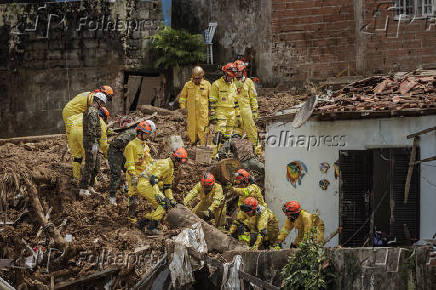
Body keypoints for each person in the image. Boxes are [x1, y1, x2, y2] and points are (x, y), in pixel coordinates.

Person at [135, 147, 188, 232]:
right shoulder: (165, 165)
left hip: (148, 184)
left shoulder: (170, 169)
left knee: (158, 207)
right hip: (145, 184)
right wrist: (157, 194)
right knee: (163, 203)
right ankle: (151, 228)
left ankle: (142, 223)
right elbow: (153, 179)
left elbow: (167, 186)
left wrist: (172, 200)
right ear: (174, 158)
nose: (180, 164)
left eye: (182, 161)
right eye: (179, 161)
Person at [108, 120, 156, 205]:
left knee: (126, 169)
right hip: (115, 151)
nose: (148, 136)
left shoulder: (139, 136)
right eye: (147, 134)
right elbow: (119, 143)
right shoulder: (133, 136)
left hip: (123, 150)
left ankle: (125, 186)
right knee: (116, 173)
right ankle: (112, 196)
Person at [124, 121, 154, 221]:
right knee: (133, 198)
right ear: (140, 133)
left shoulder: (145, 146)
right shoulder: (131, 146)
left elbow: (148, 160)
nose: (148, 136)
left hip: (143, 174)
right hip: (134, 175)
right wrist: (133, 175)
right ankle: (131, 218)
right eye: (147, 134)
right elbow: (130, 163)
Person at [79, 92, 108, 197]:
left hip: (94, 142)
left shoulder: (94, 111)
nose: (103, 106)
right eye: (103, 103)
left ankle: (90, 186)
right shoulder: (91, 112)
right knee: (89, 166)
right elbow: (91, 130)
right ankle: (83, 188)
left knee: (96, 166)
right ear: (99, 101)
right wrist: (94, 143)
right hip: (91, 142)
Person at [68, 107, 109, 181]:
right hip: (83, 133)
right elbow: (103, 142)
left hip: (73, 131)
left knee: (77, 157)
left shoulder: (83, 114)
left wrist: (69, 134)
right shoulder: (100, 122)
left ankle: (76, 177)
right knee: (89, 159)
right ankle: (91, 182)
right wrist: (106, 154)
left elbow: (69, 120)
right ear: (103, 117)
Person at [179, 66, 211, 145]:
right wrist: (183, 107)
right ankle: (192, 143)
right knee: (191, 129)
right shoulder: (188, 85)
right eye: (195, 78)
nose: (196, 80)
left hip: (203, 113)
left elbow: (211, 99)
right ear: (192, 77)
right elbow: (182, 97)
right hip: (191, 113)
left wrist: (211, 110)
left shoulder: (207, 85)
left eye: (198, 78)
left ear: (202, 77)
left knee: (203, 129)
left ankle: (203, 146)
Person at [209, 63, 238, 147]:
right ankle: (214, 154)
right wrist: (212, 114)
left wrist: (238, 114)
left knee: (228, 136)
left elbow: (235, 101)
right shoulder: (216, 84)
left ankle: (222, 154)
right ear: (224, 74)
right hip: (221, 111)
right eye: (229, 76)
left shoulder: (233, 85)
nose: (231, 79)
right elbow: (212, 100)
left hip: (232, 112)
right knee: (219, 134)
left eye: (232, 77)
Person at [233, 60, 259, 148]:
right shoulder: (231, 82)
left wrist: (255, 111)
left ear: (243, 71)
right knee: (236, 133)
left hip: (247, 111)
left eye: (239, 71)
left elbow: (253, 98)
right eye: (235, 71)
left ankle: (256, 151)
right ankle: (237, 152)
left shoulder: (249, 82)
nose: (237, 73)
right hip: (235, 112)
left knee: (251, 131)